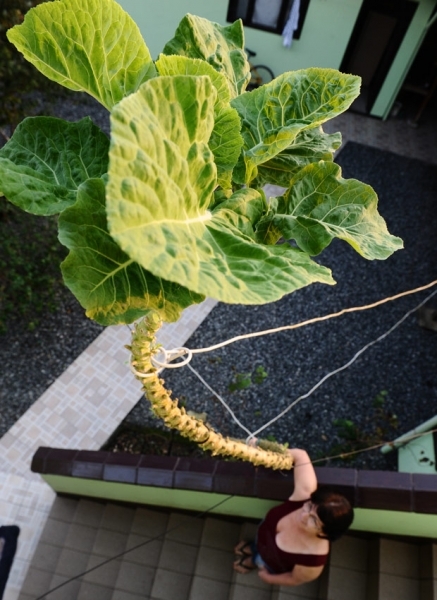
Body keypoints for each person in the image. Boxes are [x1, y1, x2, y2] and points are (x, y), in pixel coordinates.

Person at [233, 447, 354, 587]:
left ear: (324, 533)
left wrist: (268, 578)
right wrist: (258, 450)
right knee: (258, 544)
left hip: (270, 561)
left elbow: (294, 579)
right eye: (309, 506)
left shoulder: (313, 561)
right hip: (263, 535)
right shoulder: (304, 495)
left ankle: (253, 561)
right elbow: (300, 455)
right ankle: (253, 548)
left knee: (261, 561)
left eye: (313, 520)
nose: (303, 515)